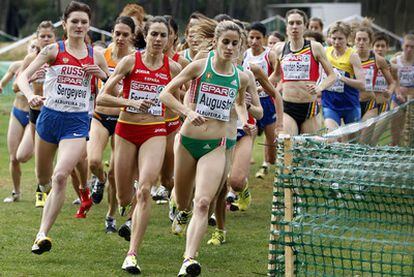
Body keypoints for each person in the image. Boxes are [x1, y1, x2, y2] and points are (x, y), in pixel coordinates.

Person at [160, 20, 253, 276]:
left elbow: (240, 104)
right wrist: (187, 112)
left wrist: (246, 122)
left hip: (216, 145)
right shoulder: (200, 67)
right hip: (188, 143)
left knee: (203, 202)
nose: (230, 47)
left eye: (235, 43)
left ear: (240, 46)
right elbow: (165, 94)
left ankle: (189, 259)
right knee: (183, 200)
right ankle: (180, 210)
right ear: (216, 42)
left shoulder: (241, 77)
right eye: (226, 42)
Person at [17, 0, 109, 254]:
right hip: (48, 118)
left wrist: (103, 76)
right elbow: (22, 77)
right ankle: (79, 189)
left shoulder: (96, 55)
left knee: (60, 176)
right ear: (65, 24)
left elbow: (116, 86)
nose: (79, 26)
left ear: (89, 25)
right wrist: (30, 95)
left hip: (77, 121)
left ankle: (41, 234)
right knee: (44, 179)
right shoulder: (52, 51)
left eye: (84, 22)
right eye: (74, 21)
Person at [97, 16, 181, 274]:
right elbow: (103, 97)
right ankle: (124, 204)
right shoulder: (130, 61)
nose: (158, 40)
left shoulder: (174, 68)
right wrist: (131, 103)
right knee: (124, 195)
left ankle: (132, 254)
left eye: (162, 35)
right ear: (146, 36)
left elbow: (176, 103)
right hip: (126, 130)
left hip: (154, 131)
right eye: (154, 34)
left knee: (144, 190)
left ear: (169, 39)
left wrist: (176, 126)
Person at [88, 16, 136, 233]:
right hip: (100, 115)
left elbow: (127, 92)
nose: (120, 38)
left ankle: (110, 216)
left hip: (123, 119)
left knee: (117, 173)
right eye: (117, 33)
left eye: (125, 34)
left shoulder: (136, 59)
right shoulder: (103, 55)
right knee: (94, 161)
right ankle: (99, 179)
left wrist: (106, 77)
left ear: (132, 36)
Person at [271, 9, 335, 135]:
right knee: (287, 147)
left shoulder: (315, 47)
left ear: (305, 26)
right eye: (291, 23)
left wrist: (320, 87)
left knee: (309, 151)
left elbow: (332, 75)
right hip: (287, 106)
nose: (295, 26)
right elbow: (277, 75)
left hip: (309, 108)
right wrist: (259, 87)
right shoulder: (279, 48)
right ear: (287, 26)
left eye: (298, 23)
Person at [16, 21, 57, 207]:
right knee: (30, 155)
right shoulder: (30, 59)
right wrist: (31, 78)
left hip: (55, 110)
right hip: (35, 111)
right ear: (37, 37)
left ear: (55, 37)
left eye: (49, 36)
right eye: (43, 36)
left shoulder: (58, 56)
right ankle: (42, 187)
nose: (46, 39)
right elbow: (17, 85)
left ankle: (54, 188)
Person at [1, 39, 39, 203]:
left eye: (37, 47)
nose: (34, 49)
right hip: (17, 112)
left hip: (35, 114)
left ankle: (41, 191)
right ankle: (16, 193)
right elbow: (4, 83)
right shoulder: (17, 66)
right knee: (13, 158)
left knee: (24, 156)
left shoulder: (45, 67)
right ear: (27, 47)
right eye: (32, 46)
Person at [243, 21, 278, 179]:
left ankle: (270, 161)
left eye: (258, 38)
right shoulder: (244, 54)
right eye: (251, 37)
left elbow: (277, 74)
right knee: (248, 132)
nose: (254, 41)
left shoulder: (269, 54)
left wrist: (262, 86)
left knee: (271, 138)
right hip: (250, 101)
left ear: (264, 38)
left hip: (267, 100)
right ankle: (243, 162)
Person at [320, 21, 365, 132]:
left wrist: (341, 78)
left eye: (340, 39)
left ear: (347, 38)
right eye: (334, 38)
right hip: (330, 104)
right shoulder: (325, 52)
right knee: (332, 137)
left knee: (351, 144)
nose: (336, 42)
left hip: (349, 105)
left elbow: (362, 84)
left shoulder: (352, 56)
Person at [390, 33, 414, 145]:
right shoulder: (395, 61)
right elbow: (391, 80)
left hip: (412, 98)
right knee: (395, 127)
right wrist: (398, 91)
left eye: (412, 47)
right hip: (398, 97)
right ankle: (395, 148)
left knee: (409, 129)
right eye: (407, 46)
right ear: (402, 45)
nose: (409, 49)